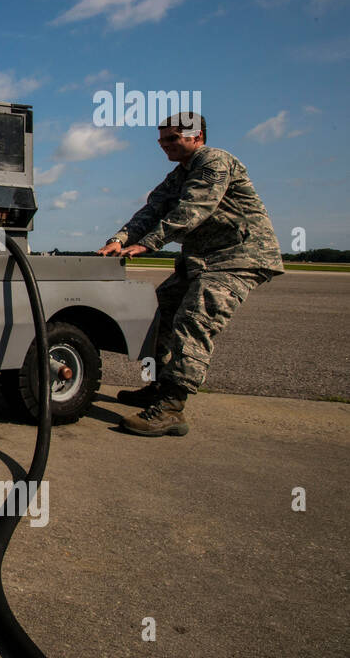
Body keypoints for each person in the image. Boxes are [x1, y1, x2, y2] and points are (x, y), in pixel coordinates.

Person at [97, 112, 283, 437]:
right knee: (155, 313)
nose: (164, 146)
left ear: (196, 137)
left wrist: (148, 244)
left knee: (194, 319)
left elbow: (194, 210)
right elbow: (152, 209)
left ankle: (171, 408)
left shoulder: (214, 162)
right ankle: (157, 386)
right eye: (161, 140)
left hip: (238, 257)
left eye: (172, 139)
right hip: (202, 260)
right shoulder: (177, 176)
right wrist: (118, 240)